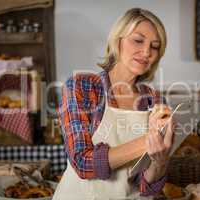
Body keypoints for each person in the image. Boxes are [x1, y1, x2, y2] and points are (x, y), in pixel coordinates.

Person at [53, 7, 175, 200]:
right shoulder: (82, 87)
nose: (146, 52)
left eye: (155, 46)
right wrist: (147, 142)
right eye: (138, 40)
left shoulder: (155, 101)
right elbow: (82, 162)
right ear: (117, 41)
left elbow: (145, 187)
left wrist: (159, 161)